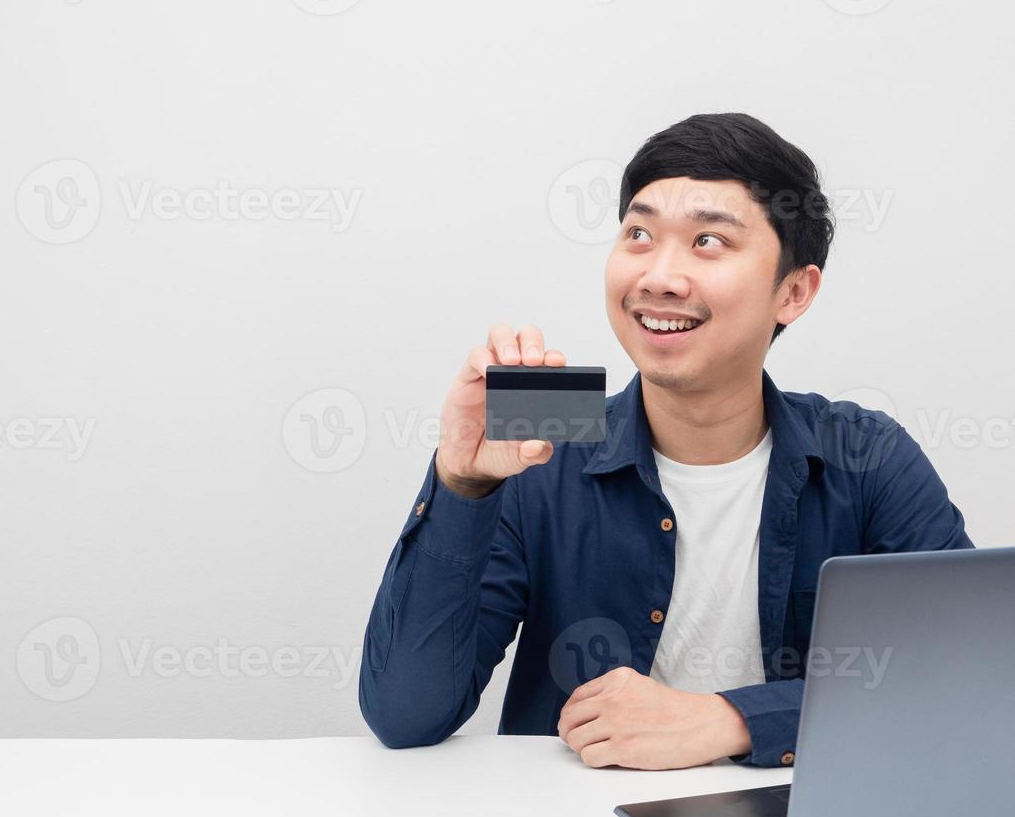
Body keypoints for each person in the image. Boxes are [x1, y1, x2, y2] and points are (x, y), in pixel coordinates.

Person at [359, 112, 973, 770]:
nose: (658, 276)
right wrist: (463, 478)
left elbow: (961, 675)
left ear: (793, 292)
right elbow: (405, 715)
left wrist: (731, 718)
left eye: (707, 241)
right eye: (639, 235)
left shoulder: (865, 456)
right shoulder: (542, 444)